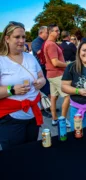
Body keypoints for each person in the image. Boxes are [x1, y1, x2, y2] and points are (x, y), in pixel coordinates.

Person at [0, 21, 46, 150]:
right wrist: (11, 90)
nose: (21, 40)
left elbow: (42, 77)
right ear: (7, 39)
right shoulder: (1, 60)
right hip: (10, 120)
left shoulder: (30, 58)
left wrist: (41, 82)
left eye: (23, 37)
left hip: (33, 116)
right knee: (14, 157)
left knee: (31, 150)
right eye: (17, 37)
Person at [44, 24, 70, 127]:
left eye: (58, 30)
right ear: (50, 32)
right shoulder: (51, 44)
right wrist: (67, 65)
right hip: (56, 74)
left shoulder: (49, 43)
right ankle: (62, 120)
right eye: (56, 31)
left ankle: (54, 119)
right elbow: (55, 62)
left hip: (51, 74)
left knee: (53, 97)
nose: (58, 32)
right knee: (68, 96)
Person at [31, 26, 50, 97]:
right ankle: (44, 107)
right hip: (40, 69)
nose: (48, 34)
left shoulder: (46, 42)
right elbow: (40, 53)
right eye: (47, 33)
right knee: (44, 89)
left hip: (45, 68)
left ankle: (49, 107)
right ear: (41, 33)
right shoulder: (36, 42)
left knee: (48, 89)